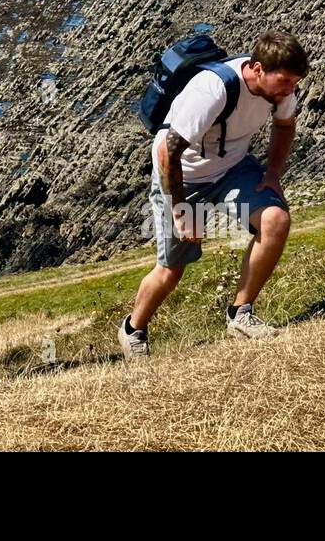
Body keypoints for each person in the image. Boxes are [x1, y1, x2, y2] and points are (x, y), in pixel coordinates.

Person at [121, 31, 309, 359]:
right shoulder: (213, 89)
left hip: (233, 169)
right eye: (285, 80)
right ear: (257, 68)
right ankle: (133, 330)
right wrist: (180, 211)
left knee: (275, 220)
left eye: (295, 82)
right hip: (184, 178)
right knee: (172, 270)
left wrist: (273, 174)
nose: (290, 89)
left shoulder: (280, 92)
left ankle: (240, 315)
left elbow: (285, 126)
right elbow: (169, 153)